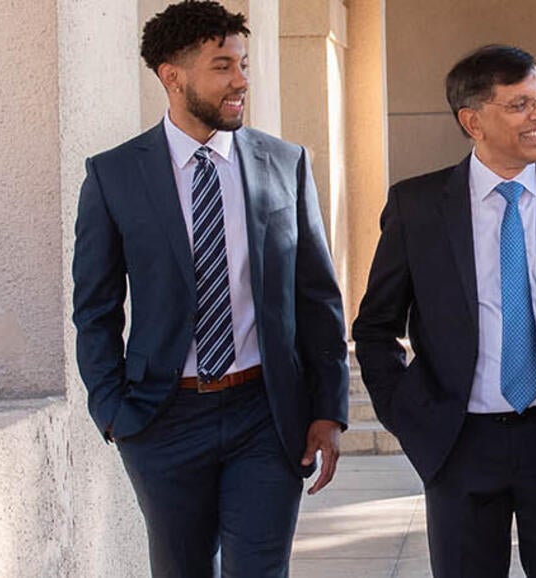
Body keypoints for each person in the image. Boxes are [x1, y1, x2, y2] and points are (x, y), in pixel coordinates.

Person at [352, 44, 536, 578]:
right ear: (473, 121)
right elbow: (374, 329)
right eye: (519, 105)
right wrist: (410, 416)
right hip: (461, 446)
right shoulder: (417, 207)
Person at [69, 2, 350, 576]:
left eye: (243, 64)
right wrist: (112, 411)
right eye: (223, 66)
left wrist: (328, 409)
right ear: (173, 76)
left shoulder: (284, 164)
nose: (242, 81)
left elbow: (317, 299)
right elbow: (95, 309)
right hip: (162, 419)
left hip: (265, 415)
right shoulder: (113, 176)